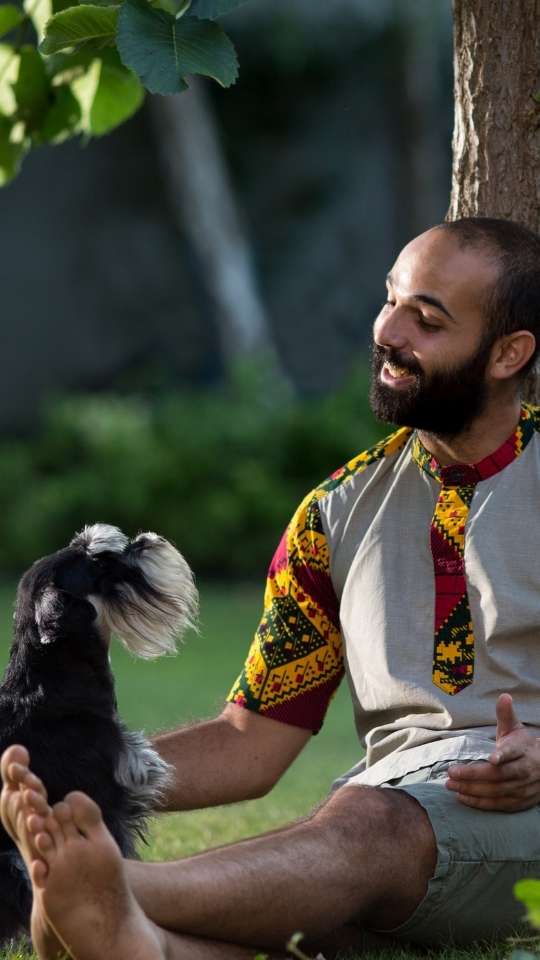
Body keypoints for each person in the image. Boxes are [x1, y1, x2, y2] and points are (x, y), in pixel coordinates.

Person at [3, 216, 540, 960]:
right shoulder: (334, 513)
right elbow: (250, 742)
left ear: (509, 354)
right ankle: (135, 939)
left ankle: (107, 889)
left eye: (427, 320)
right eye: (390, 300)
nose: (387, 331)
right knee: (316, 884)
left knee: (363, 829)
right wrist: (68, 766)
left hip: (491, 818)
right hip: (399, 824)